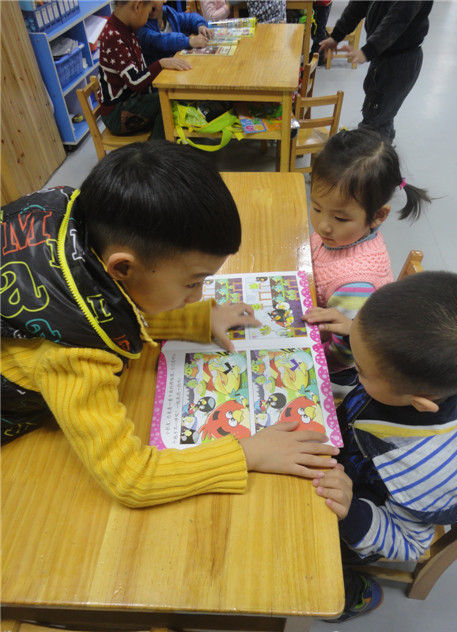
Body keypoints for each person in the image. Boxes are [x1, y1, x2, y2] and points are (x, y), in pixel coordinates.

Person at [0, 141, 337, 508]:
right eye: (192, 283)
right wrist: (248, 452)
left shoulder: (80, 224)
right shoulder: (73, 358)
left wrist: (197, 317)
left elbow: (113, 301)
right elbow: (132, 478)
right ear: (123, 267)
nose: (198, 294)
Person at [309, 271, 457, 621]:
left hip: (364, 515)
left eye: (361, 368)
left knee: (303, 562)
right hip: (349, 452)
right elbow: (376, 378)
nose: (356, 369)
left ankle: (352, 595)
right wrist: (357, 333)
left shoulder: (426, 472)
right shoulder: (439, 375)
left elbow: (408, 542)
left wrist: (352, 512)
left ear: (419, 402)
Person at [303, 128, 431, 381]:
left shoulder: (355, 285)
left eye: (340, 218)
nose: (323, 226)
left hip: (331, 361)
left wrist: (306, 362)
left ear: (377, 216)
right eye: (316, 208)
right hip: (315, 310)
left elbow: (345, 354)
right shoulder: (343, 234)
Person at [319, 1, 434, 142]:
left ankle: (375, 151)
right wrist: (337, 35)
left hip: (400, 59)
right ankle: (384, 144)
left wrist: (368, 51)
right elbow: (359, 4)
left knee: (374, 123)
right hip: (383, 53)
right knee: (381, 111)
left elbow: (398, 19)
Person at [98, 0, 191, 140]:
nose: (148, 18)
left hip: (132, 102)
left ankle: (163, 145)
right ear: (137, 6)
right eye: (149, 12)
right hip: (116, 114)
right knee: (165, 102)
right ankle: (155, 150)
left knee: (169, 98)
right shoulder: (113, 36)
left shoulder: (128, 28)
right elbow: (135, 81)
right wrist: (161, 64)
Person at [138, 1, 214, 66]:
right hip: (160, 74)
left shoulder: (169, 13)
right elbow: (158, 41)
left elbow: (189, 18)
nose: (150, 2)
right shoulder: (141, 24)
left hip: (179, 65)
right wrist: (188, 41)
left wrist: (200, 25)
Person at [310, 1, 332, 66]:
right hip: (320, 3)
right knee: (316, 30)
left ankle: (318, 57)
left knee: (319, 31)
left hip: (322, 4)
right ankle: (315, 54)